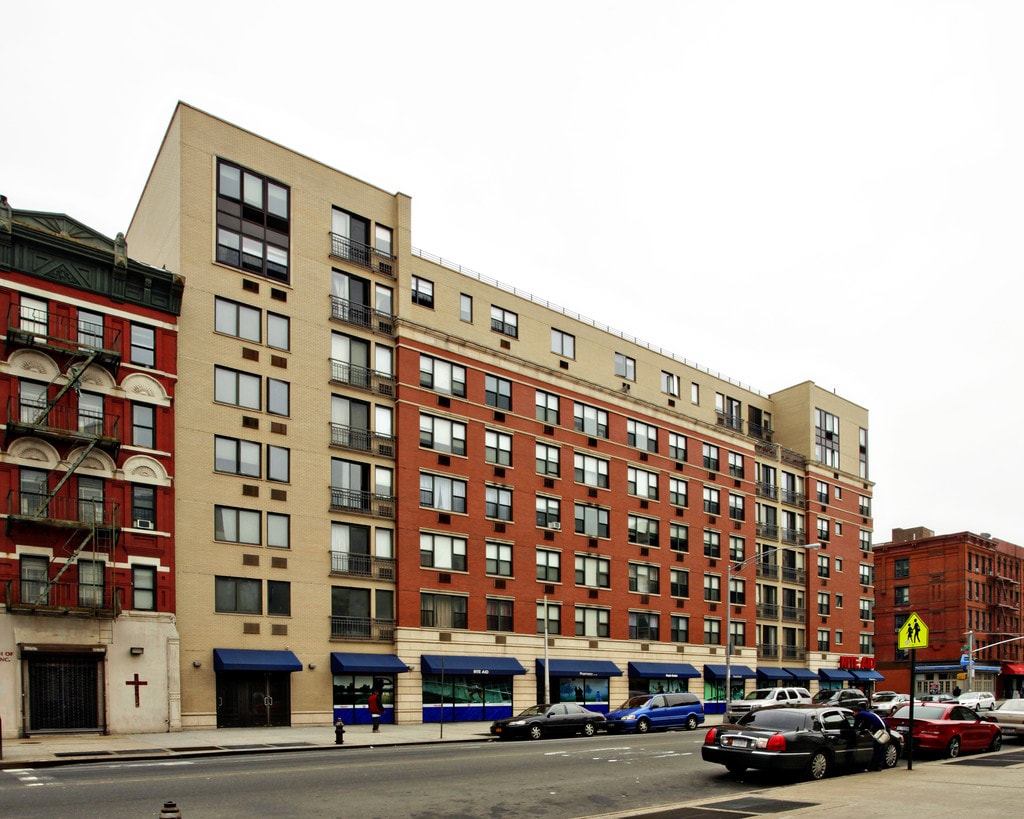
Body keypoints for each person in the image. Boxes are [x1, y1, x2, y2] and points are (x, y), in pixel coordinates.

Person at [853, 705, 889, 770]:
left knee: (877, 749)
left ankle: (872, 767)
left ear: (856, 712)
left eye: (854, 713)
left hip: (880, 730)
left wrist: (856, 729)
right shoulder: (868, 713)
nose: (853, 714)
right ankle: (878, 766)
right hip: (885, 727)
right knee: (881, 749)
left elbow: (856, 724)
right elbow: (866, 724)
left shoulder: (860, 714)